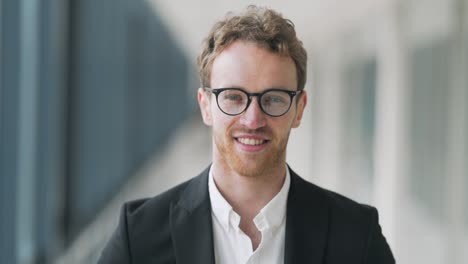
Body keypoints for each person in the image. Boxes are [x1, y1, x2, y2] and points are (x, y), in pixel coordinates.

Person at [98, 5, 395, 264]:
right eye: (233, 97)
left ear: (299, 109)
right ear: (206, 106)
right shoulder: (139, 237)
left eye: (274, 98)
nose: (253, 120)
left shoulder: (357, 237)